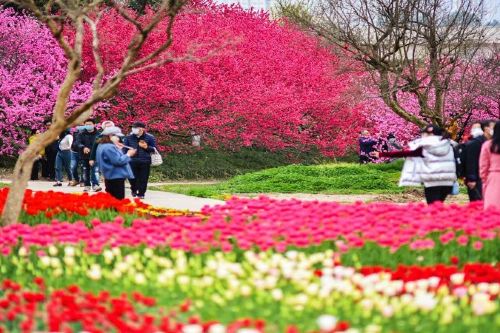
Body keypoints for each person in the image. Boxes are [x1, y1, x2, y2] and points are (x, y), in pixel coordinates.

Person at [372, 125, 457, 204]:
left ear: (430, 134)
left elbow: (405, 153)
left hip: (432, 180)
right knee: (439, 204)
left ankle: (436, 219)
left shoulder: (426, 146)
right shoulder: (451, 144)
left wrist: (381, 154)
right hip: (447, 180)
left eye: (424, 133)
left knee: (433, 206)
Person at [96, 126, 136, 199]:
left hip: (109, 175)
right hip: (115, 176)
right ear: (110, 136)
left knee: (111, 199)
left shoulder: (102, 145)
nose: (118, 139)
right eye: (117, 136)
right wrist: (128, 154)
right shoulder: (109, 147)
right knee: (118, 199)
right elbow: (118, 161)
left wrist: (117, 148)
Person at [123, 122, 157, 199]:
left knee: (143, 178)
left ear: (142, 129)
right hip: (132, 161)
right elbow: (124, 149)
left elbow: (154, 150)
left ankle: (141, 193)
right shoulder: (128, 137)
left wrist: (146, 147)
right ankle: (134, 189)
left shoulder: (150, 137)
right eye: (133, 127)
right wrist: (125, 156)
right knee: (132, 178)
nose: (133, 129)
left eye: (136, 128)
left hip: (145, 161)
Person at [461, 122, 487, 201]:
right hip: (476, 175)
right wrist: (471, 178)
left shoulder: (482, 141)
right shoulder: (474, 142)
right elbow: (470, 161)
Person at [75, 118, 101, 192]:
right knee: (85, 171)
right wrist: (83, 147)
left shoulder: (98, 134)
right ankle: (87, 185)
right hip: (84, 156)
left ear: (94, 125)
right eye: (86, 124)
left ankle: (95, 185)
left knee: (94, 170)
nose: (88, 126)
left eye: (90, 124)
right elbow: (77, 143)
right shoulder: (81, 133)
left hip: (95, 156)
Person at [479, 121, 500, 210]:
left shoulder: (488, 145)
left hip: (494, 177)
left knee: (493, 208)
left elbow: (483, 166)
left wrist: (484, 181)